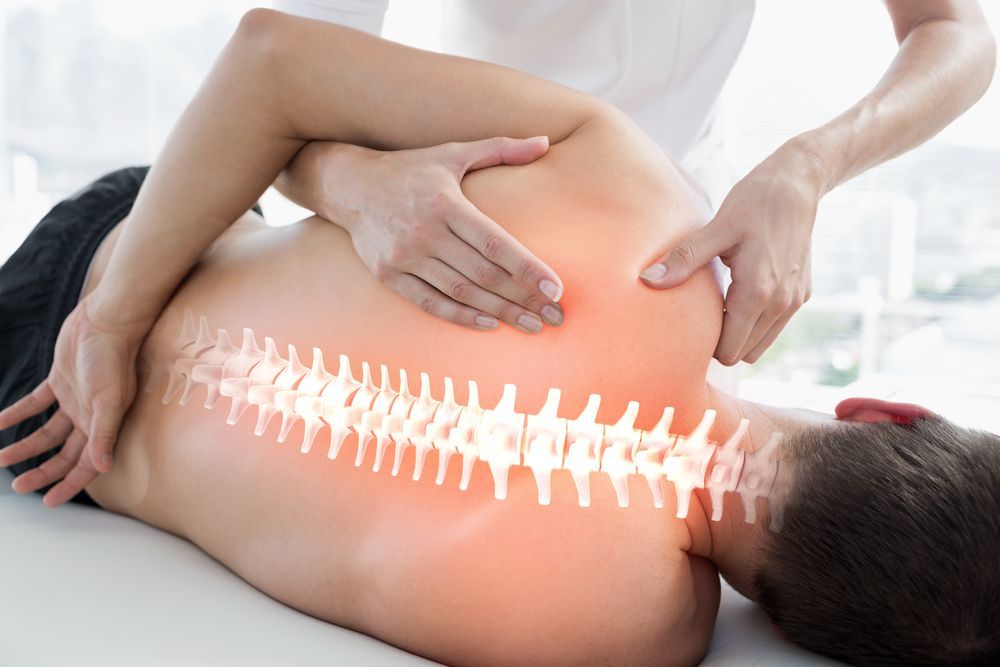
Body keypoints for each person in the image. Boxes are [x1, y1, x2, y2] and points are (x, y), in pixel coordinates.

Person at [0, 10, 997, 666]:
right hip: (55, 442)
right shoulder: (635, 634)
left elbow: (270, 58)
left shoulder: (638, 203)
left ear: (885, 410)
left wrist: (116, 320)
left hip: (130, 254)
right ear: (786, 626)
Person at [271, 0, 996, 366]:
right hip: (465, 253)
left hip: (681, 259)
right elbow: (270, 89)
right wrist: (358, 189)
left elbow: (956, 29)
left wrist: (810, 167)